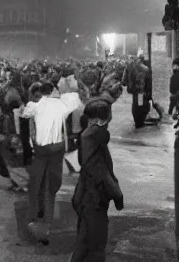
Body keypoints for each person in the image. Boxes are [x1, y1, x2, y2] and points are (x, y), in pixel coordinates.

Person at [21, 80, 82, 244]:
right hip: (57, 148)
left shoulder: (35, 105)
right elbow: (76, 98)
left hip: (40, 150)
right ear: (53, 90)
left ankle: (34, 216)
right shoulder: (62, 105)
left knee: (36, 183)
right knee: (52, 183)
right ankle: (47, 216)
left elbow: (24, 114)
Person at [69, 99, 123, 262]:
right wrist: (117, 195)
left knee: (83, 244)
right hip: (94, 201)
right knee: (96, 248)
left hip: (84, 198)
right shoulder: (94, 139)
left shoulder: (86, 137)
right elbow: (102, 174)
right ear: (102, 119)